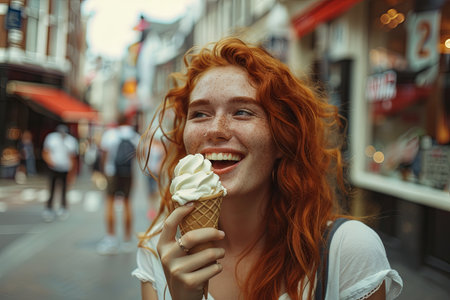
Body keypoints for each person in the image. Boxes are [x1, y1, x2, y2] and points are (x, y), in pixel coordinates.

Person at [132, 37, 403, 300]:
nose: (215, 130)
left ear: (281, 139)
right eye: (200, 114)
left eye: (243, 112)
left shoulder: (347, 252)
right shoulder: (159, 253)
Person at [97, 114, 140, 255]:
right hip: (128, 173)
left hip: (112, 172)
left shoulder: (110, 135)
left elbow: (104, 155)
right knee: (127, 203)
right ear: (128, 121)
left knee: (110, 203)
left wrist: (103, 172)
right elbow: (139, 156)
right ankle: (127, 240)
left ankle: (111, 239)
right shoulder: (134, 136)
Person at [41, 124, 78, 222]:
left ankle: (63, 207)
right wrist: (50, 161)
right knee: (52, 189)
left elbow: (73, 158)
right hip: (53, 168)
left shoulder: (71, 141)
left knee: (64, 190)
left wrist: (72, 173)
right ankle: (49, 208)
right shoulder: (51, 138)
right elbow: (45, 152)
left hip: (65, 168)